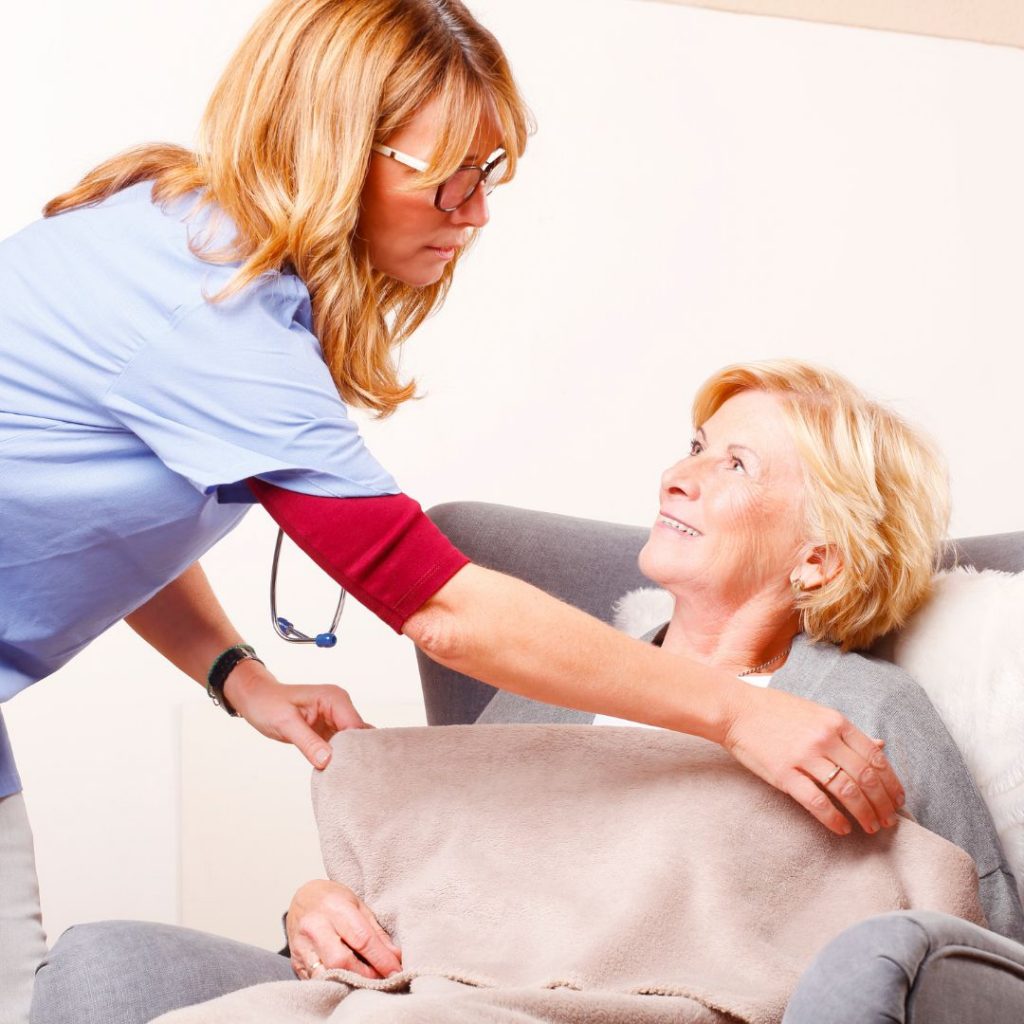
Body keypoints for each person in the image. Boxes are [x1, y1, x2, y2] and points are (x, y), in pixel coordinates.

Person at [0, 2, 903, 1019]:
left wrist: (235, 673)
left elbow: (108, 516)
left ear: (825, 553)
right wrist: (739, 712)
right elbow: (439, 611)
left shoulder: (187, 250)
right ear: (337, 152)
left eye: (489, 174)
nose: (473, 213)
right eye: (449, 177)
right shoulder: (209, 310)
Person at [29, 360, 1022, 1024]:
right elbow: (436, 897)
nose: (678, 474)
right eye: (691, 442)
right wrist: (314, 907)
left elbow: (979, 944)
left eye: (733, 461)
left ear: (818, 556)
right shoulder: (552, 689)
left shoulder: (863, 714)